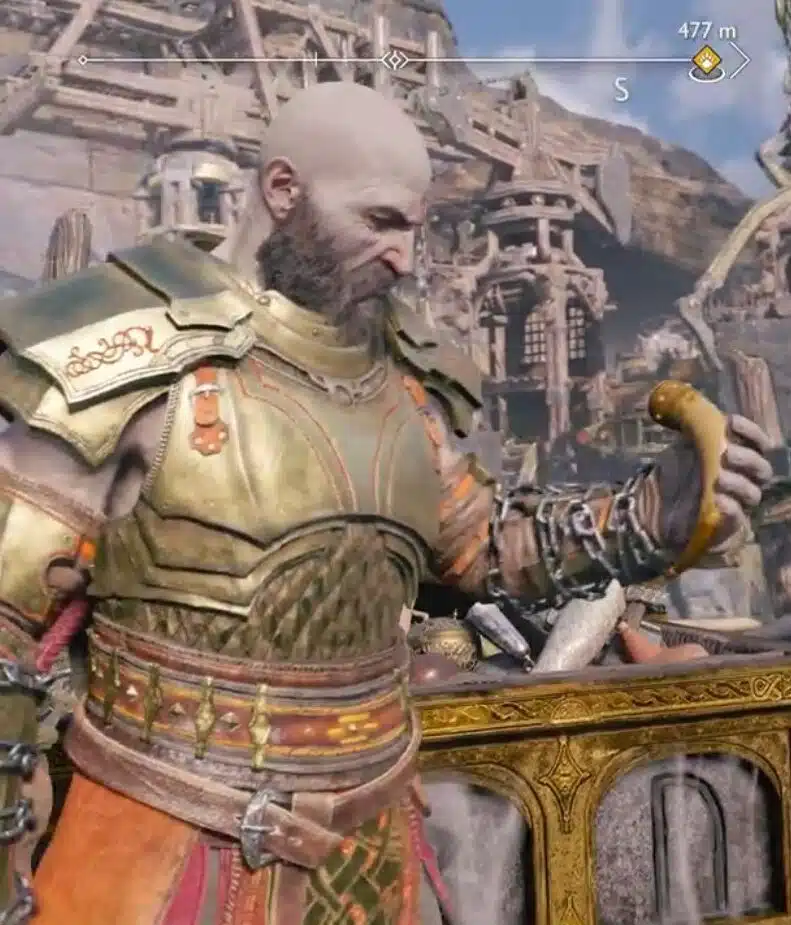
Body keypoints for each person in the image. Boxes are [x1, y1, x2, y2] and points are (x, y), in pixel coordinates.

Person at [0, 81, 771, 925]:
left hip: (369, 849)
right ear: (283, 190)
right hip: (165, 851)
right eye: (379, 222)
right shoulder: (125, 355)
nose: (403, 258)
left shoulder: (398, 376)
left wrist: (648, 514)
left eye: (413, 228)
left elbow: (482, 548)